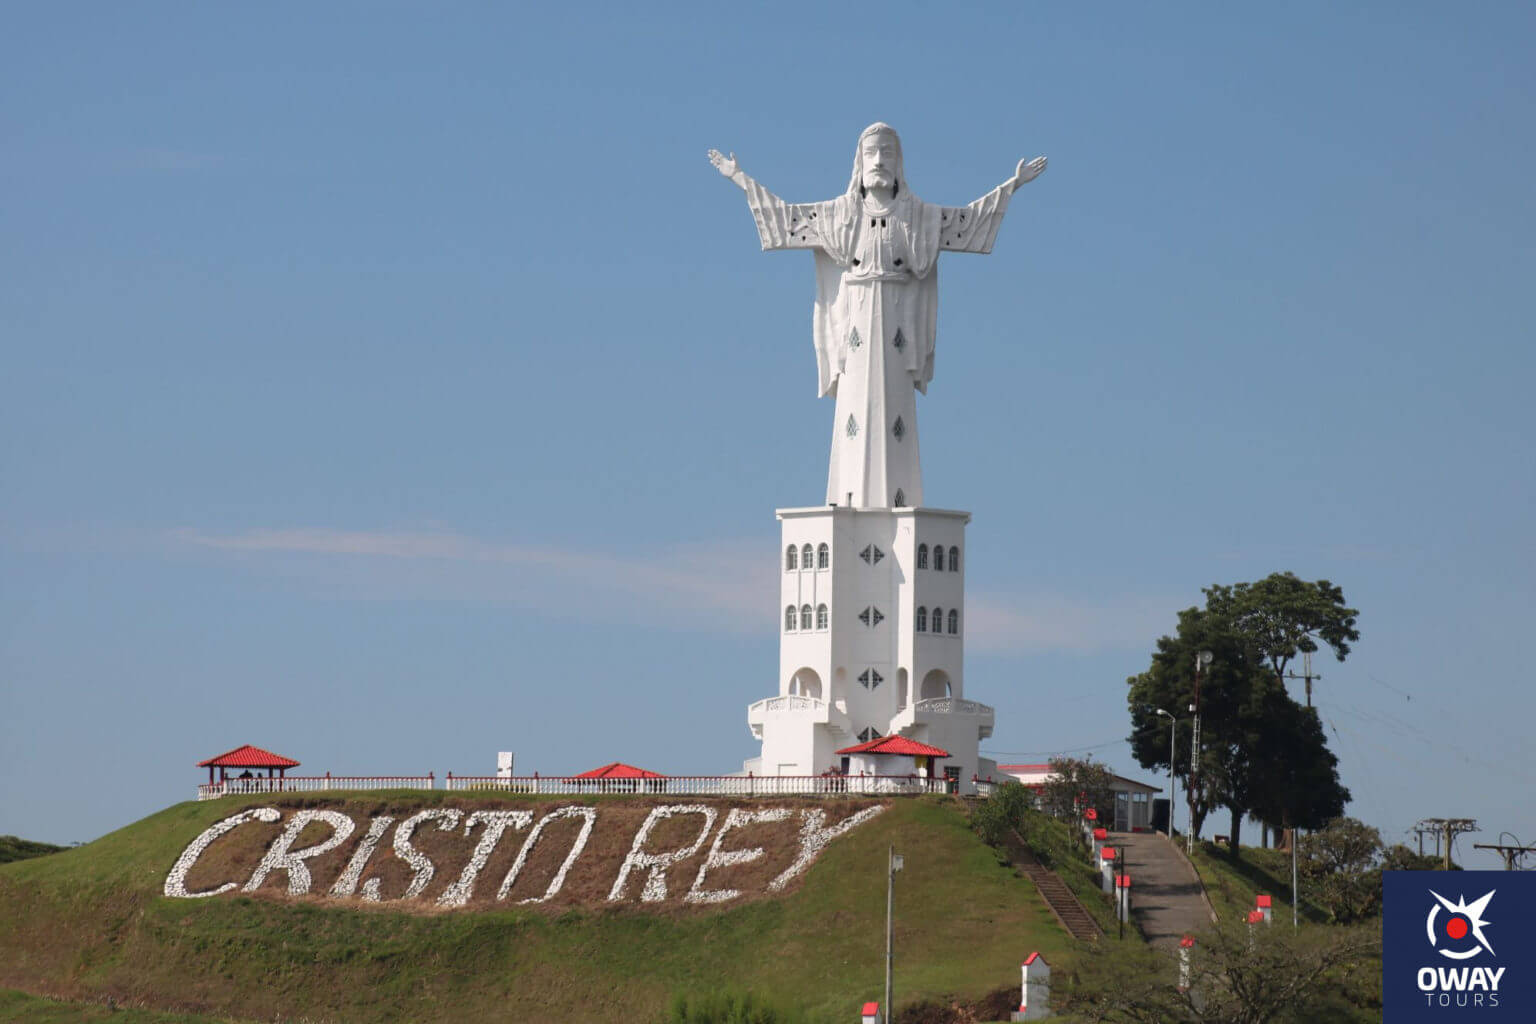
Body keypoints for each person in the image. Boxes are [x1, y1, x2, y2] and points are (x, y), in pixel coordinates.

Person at [709, 124, 1045, 508]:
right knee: (853, 417)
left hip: (898, 324)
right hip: (855, 323)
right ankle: (847, 501)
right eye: (872, 153)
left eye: (887, 153)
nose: (880, 161)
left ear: (898, 162)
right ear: (861, 162)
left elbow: (967, 224)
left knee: (895, 418)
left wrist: (1012, 186)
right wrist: (740, 179)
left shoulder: (919, 217)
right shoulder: (838, 216)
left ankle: (895, 509)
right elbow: (784, 221)